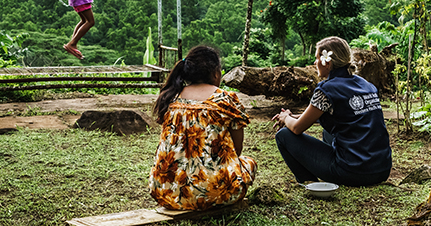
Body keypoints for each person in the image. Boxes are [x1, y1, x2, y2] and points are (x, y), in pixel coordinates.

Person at [272, 36, 391, 186]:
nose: (314, 63)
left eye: (316, 58)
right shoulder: (366, 85)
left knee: (284, 135)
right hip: (381, 170)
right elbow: (346, 114)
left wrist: (284, 117)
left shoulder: (327, 89)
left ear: (327, 62)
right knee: (327, 131)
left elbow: (296, 128)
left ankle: (309, 182)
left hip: (352, 172)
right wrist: (293, 115)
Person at [149, 45, 257, 210]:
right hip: (215, 193)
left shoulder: (171, 97)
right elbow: (237, 150)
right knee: (249, 163)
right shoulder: (225, 100)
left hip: (165, 191)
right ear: (215, 73)